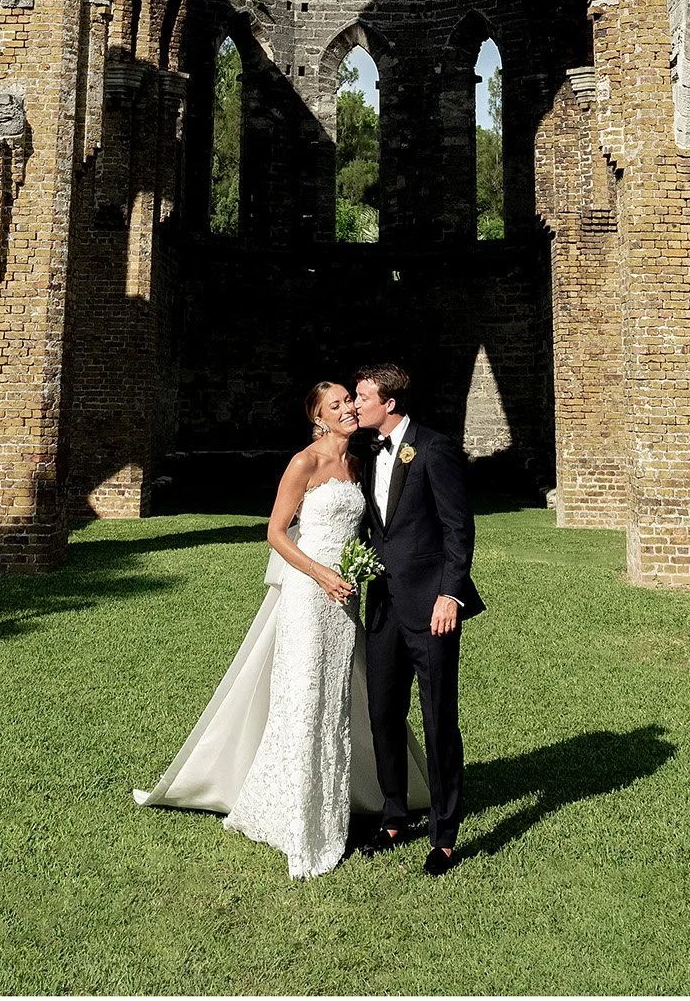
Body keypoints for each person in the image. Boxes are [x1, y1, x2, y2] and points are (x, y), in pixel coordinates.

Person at [133, 379, 428, 880]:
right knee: (305, 697)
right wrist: (323, 574)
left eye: (349, 402)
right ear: (318, 418)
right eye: (335, 405)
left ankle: (339, 801)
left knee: (335, 699)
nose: (348, 409)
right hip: (309, 596)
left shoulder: (357, 464)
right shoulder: (304, 463)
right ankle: (301, 822)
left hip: (345, 598)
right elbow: (274, 532)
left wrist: (355, 572)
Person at [353, 362, 483, 876]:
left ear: (389, 403)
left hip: (432, 610)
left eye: (362, 396)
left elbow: (459, 528)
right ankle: (392, 815)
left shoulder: (433, 448)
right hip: (382, 606)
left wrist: (450, 595)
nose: (355, 404)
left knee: (437, 718)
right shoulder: (367, 453)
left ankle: (445, 835)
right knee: (382, 712)